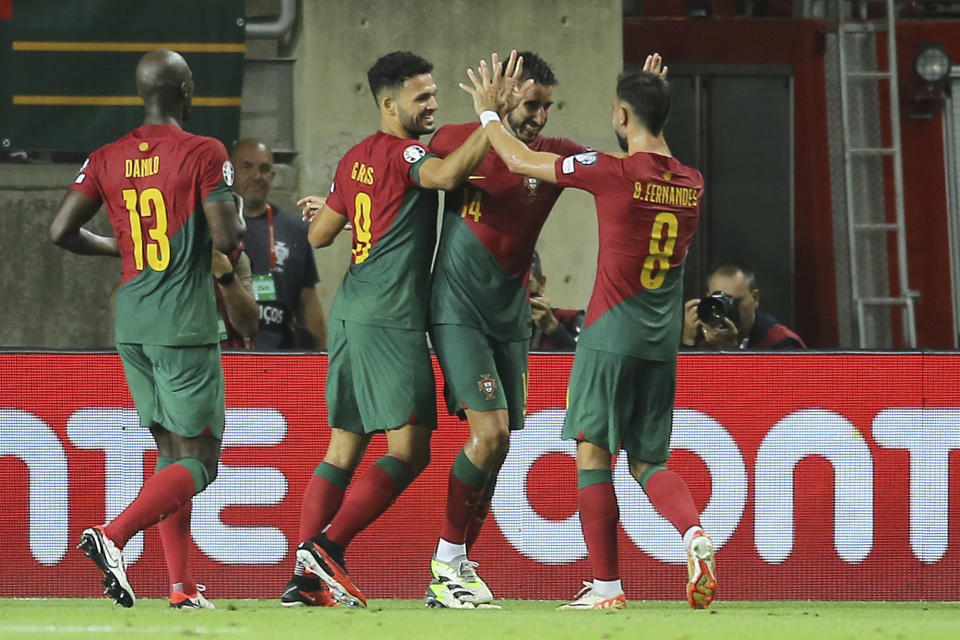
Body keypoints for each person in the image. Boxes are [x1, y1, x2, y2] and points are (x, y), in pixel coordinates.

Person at [461, 53, 717, 610]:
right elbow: (656, 149)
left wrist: (486, 115)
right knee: (650, 462)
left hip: (607, 336)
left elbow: (521, 160)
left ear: (621, 114)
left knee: (593, 455)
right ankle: (693, 535)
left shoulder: (613, 171)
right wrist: (651, 96)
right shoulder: (693, 184)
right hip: (660, 344)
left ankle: (606, 587)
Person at [280, 50, 524, 609]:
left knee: (344, 447)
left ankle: (304, 580)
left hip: (350, 314)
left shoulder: (354, 158)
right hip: (391, 319)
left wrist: (345, 203)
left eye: (435, 93)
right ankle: (328, 550)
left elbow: (319, 236)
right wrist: (489, 118)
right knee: (410, 451)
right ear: (389, 104)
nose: (433, 104)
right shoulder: (406, 152)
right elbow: (444, 174)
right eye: (423, 97)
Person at [49, 49, 245, 610]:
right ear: (186, 89)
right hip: (181, 321)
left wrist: (121, 245)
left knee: (170, 456)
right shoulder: (203, 151)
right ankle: (113, 537)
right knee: (201, 461)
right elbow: (228, 235)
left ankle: (181, 587)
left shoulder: (105, 156)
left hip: (131, 320)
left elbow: (61, 230)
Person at [424, 51, 588, 609]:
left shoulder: (556, 157)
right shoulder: (455, 138)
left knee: (499, 447)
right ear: (503, 95)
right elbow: (399, 182)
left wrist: (647, 121)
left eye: (548, 106)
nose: (540, 116)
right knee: (489, 435)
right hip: (456, 309)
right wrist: (336, 204)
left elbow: (618, 174)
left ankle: (458, 565)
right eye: (531, 103)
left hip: (511, 317)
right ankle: (446, 561)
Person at [230, 138, 327, 350]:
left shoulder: (295, 230)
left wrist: (324, 360)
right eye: (247, 166)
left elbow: (309, 305)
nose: (257, 176)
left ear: (272, 176)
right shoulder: (215, 229)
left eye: (264, 169)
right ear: (230, 171)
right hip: (225, 350)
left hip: (279, 354)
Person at [681, 262, 806, 350]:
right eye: (717, 301)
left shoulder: (782, 344)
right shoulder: (702, 338)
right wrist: (688, 343)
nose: (725, 310)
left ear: (755, 299)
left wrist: (730, 352)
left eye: (734, 301)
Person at [529, 249, 584, 351]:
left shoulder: (571, 320)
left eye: (527, 285)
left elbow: (587, 363)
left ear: (541, 283)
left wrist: (554, 329)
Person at [213, 247, 259, 348]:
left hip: (230, 354)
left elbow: (249, 327)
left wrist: (227, 278)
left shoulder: (236, 256)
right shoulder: (172, 252)